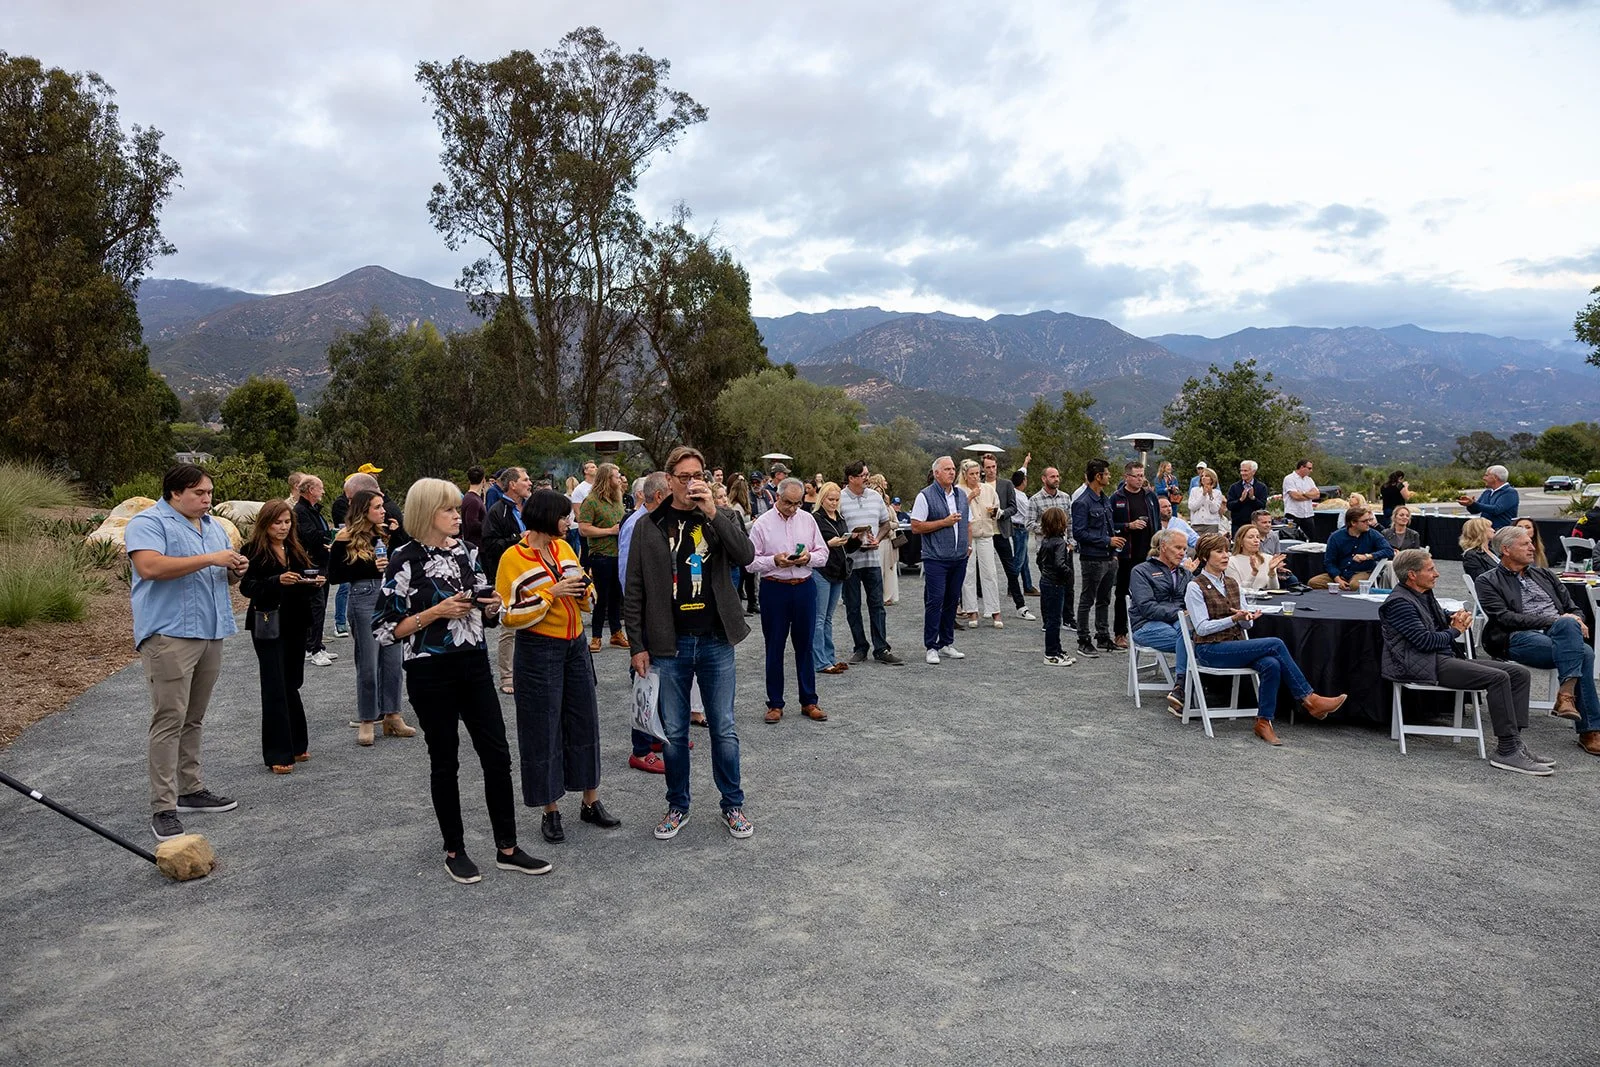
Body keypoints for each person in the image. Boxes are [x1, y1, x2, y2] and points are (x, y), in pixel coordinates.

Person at [375, 477, 549, 884]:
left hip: (473, 664)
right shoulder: (404, 558)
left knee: (497, 756)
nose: (458, 515)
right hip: (429, 671)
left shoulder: (467, 552)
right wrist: (436, 613)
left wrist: (490, 606)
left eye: (457, 508)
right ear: (426, 513)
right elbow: (384, 629)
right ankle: (454, 849)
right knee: (445, 760)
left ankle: (507, 847)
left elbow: (483, 608)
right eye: (449, 509)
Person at [624, 445, 757, 840]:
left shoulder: (722, 517)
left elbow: (746, 556)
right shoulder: (649, 525)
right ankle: (677, 805)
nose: (691, 483)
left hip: (716, 639)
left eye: (697, 476)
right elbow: (634, 590)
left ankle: (732, 805)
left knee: (724, 728)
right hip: (669, 644)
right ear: (668, 481)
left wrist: (714, 512)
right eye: (683, 477)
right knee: (675, 732)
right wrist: (636, 645)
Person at [125, 464, 247, 841]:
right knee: (168, 719)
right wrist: (212, 559)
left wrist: (234, 568)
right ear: (175, 493)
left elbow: (216, 573)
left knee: (193, 717)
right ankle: (163, 807)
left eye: (209, 492)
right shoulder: (148, 523)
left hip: (210, 631)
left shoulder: (211, 527)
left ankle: (190, 790)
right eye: (200, 493)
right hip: (169, 635)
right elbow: (149, 567)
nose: (207, 499)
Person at [496, 488, 620, 844]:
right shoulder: (512, 558)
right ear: (547, 517)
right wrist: (553, 592)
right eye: (564, 516)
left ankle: (590, 801)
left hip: (575, 644)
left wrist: (583, 590)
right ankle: (550, 810)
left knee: (584, 720)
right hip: (538, 650)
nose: (569, 521)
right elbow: (509, 616)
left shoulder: (565, 548)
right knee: (542, 727)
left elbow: (587, 595)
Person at [1380, 549, 1546, 775]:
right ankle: (1506, 751)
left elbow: (1432, 621)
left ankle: (1514, 743)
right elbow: (1425, 642)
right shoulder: (1399, 602)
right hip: (1418, 663)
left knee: (1518, 673)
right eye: (1431, 569)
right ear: (1412, 574)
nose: (1437, 574)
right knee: (1499, 678)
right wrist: (1455, 630)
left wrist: (1454, 617)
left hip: (1439, 659)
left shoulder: (1422, 594)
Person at [1185, 533, 1347, 745]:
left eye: (1226, 551)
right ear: (1205, 556)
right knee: (1275, 643)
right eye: (1219, 552)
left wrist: (1246, 618)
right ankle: (1310, 699)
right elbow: (1202, 628)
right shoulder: (1195, 586)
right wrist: (1233, 618)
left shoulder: (1232, 583)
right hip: (1209, 649)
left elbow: (1245, 625)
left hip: (1233, 645)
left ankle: (1264, 722)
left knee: (1271, 664)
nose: (1225, 556)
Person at [1476, 525, 1599, 751]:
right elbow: (1504, 618)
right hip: (1516, 637)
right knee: (1585, 652)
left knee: (1571, 629)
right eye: (1525, 544)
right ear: (1506, 549)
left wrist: (1576, 619)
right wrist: (1557, 621)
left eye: (1531, 542)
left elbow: (1573, 607)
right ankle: (1589, 729)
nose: (1533, 548)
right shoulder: (1488, 580)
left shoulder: (1543, 574)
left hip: (1561, 633)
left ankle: (1567, 697)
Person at [329, 488, 414, 746]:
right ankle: (367, 720)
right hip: (363, 596)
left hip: (389, 597)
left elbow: (407, 553)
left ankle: (393, 715)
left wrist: (398, 532)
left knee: (393, 659)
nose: (383, 511)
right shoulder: (345, 537)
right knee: (368, 662)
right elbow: (334, 575)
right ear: (364, 510)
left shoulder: (384, 533)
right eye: (378, 507)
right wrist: (368, 566)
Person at [240, 500, 318, 773]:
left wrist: (313, 582)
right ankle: (278, 753)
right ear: (265, 523)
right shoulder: (253, 551)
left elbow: (306, 582)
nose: (283, 527)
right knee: (274, 684)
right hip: (267, 623)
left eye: (287, 522)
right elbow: (247, 587)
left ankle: (297, 744)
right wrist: (276, 581)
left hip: (296, 622)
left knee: (292, 682)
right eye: (278, 522)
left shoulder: (295, 548)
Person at [748, 477, 829, 723]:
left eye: (797, 504)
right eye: (788, 503)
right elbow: (749, 561)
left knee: (805, 645)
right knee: (775, 646)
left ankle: (809, 701)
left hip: (804, 587)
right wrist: (774, 561)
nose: (792, 508)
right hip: (775, 589)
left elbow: (823, 553)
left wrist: (808, 559)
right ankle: (775, 703)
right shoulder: (762, 524)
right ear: (777, 497)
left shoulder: (808, 520)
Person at [838, 461, 903, 663]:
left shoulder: (875, 498)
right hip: (850, 562)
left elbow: (885, 523)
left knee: (877, 605)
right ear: (851, 478)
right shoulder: (839, 499)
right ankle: (860, 647)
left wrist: (879, 537)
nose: (867, 477)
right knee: (853, 607)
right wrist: (852, 539)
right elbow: (834, 529)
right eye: (863, 475)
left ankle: (881, 649)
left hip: (872, 561)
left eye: (867, 474)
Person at [911, 456, 970, 664]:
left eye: (953, 469)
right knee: (935, 601)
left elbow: (968, 524)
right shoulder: (924, 496)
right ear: (936, 473)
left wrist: (968, 546)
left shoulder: (961, 495)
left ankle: (946, 643)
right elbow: (916, 526)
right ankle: (931, 646)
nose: (952, 472)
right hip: (935, 558)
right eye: (947, 469)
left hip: (959, 558)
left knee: (952, 601)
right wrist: (943, 523)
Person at [1129, 528, 1194, 713]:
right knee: (1192, 642)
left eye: (1185, 548)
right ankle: (1188, 688)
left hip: (1176, 623)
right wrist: (1181, 613)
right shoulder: (1141, 571)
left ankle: (1181, 688)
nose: (1183, 552)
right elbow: (1147, 607)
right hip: (1146, 625)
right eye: (1178, 548)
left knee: (1192, 636)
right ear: (1163, 547)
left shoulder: (1185, 573)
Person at [481, 466, 533, 695]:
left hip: (531, 572)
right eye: (525, 479)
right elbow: (490, 546)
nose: (529, 483)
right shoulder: (497, 511)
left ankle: (528, 672)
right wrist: (517, 539)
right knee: (509, 626)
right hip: (507, 574)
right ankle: (507, 676)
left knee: (531, 619)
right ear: (512, 484)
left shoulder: (529, 507)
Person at [1071, 458, 1123, 658]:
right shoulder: (1082, 502)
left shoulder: (1104, 499)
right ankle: (1083, 639)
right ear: (1098, 476)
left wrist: (1114, 552)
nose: (1109, 476)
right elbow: (1079, 533)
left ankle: (1102, 636)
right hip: (1092, 558)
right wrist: (1107, 541)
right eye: (1107, 474)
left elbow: (1109, 525)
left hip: (1109, 558)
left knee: (1104, 599)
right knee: (1087, 599)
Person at [811, 481, 861, 677]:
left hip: (838, 571)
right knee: (819, 618)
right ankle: (819, 660)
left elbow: (847, 548)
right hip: (822, 571)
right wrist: (827, 544)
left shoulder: (840, 518)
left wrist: (856, 539)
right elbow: (811, 544)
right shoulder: (815, 519)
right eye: (830, 499)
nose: (833, 503)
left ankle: (829, 657)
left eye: (837, 500)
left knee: (828, 618)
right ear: (822, 499)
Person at [577, 462, 628, 653]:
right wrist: (609, 531)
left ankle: (616, 633)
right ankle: (596, 636)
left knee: (617, 597)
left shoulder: (617, 499)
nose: (620, 479)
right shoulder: (590, 501)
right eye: (616, 476)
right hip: (600, 555)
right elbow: (583, 528)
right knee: (601, 597)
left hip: (618, 555)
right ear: (607, 479)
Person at [1110, 461, 1159, 648]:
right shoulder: (1116, 498)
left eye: (1142, 475)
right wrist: (1128, 526)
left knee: (1149, 594)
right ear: (1126, 477)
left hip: (1148, 553)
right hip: (1126, 554)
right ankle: (1120, 633)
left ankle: (1146, 631)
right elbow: (1109, 525)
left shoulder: (1150, 496)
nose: (1140, 479)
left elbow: (1157, 523)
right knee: (1122, 593)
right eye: (1136, 476)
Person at [982, 454, 1032, 620]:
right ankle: (978, 607)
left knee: (1010, 570)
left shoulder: (1006, 484)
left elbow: (1014, 507)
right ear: (983, 468)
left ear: (997, 467)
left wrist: (1002, 513)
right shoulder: (979, 486)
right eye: (988, 467)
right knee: (980, 571)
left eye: (993, 467)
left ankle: (1021, 606)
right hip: (983, 534)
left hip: (1001, 532)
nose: (991, 470)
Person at [294, 476, 337, 665]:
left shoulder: (313, 510)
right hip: (311, 564)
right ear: (310, 489)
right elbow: (309, 535)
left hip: (321, 561)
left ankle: (317, 645)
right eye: (320, 488)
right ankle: (312, 649)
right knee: (315, 606)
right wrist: (330, 536)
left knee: (320, 604)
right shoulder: (301, 510)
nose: (323, 492)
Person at [959, 459, 1003, 629]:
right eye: (972, 474)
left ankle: (994, 611)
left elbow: (997, 509)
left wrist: (995, 513)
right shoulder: (959, 491)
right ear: (965, 475)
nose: (976, 477)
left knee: (990, 573)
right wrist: (970, 497)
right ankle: (972, 611)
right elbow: (957, 510)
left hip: (986, 534)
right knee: (968, 573)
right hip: (967, 535)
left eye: (978, 473)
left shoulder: (988, 489)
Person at [1310, 506, 1393, 589]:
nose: (1369, 523)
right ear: (1353, 523)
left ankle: (1344, 590)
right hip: (1341, 572)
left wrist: (1367, 556)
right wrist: (1337, 579)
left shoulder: (1372, 534)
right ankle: (1339, 591)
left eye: (1369, 520)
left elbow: (1389, 551)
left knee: (1355, 585)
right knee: (1314, 582)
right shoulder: (1336, 537)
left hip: (1362, 572)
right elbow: (1329, 562)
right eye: (1364, 521)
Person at [1034, 506, 1077, 666]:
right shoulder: (1059, 542)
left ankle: (1057, 650)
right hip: (1055, 583)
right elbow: (1060, 564)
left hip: (1046, 581)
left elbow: (1039, 561)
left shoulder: (1046, 540)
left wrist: (1046, 572)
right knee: (1054, 620)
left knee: (1052, 619)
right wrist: (1068, 573)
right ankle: (1051, 653)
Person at [868, 473, 901, 605]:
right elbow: (878, 523)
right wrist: (887, 526)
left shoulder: (888, 506)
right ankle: (879, 596)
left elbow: (894, 523)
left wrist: (889, 526)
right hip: (880, 540)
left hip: (889, 540)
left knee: (890, 569)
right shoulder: (874, 508)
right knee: (879, 569)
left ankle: (888, 596)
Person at [1225, 523, 1285, 592]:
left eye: (1258, 537)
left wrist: (1272, 572)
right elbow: (1237, 591)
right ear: (1240, 541)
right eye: (1251, 537)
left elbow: (1274, 589)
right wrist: (1254, 573)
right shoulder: (1231, 562)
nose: (1256, 540)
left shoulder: (1268, 558)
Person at [1458, 465, 1519, 529]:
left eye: (1486, 475)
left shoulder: (1510, 492)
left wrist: (1473, 504)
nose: (1484, 478)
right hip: (1486, 532)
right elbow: (1475, 511)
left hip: (1502, 534)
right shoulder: (1487, 492)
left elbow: (1496, 510)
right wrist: (1469, 504)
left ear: (1495, 477)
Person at [1011, 468, 1038, 596]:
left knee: (1024, 559)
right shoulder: (1020, 497)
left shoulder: (1015, 492)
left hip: (1020, 529)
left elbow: (1021, 471)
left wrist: (1026, 463)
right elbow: (1028, 513)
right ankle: (1012, 586)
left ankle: (1027, 585)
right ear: (1024, 481)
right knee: (1019, 559)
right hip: (1020, 528)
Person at [1226, 460, 1273, 533]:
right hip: (1238, 526)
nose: (1242, 473)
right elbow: (1229, 506)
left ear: (1253, 472)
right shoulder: (1234, 487)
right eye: (1241, 471)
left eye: (1245, 471)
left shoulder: (1261, 487)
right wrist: (1240, 500)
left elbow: (1262, 506)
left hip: (1255, 526)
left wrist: (1253, 498)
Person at [1281, 458, 1321, 525]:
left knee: (1311, 535)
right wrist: (1310, 496)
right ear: (1302, 467)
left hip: (1308, 514)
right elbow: (1295, 496)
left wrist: (1303, 493)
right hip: (1293, 514)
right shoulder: (1289, 479)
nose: (1311, 471)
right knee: (1291, 534)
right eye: (1309, 468)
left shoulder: (1309, 480)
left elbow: (1317, 495)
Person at [1187, 467, 1225, 535]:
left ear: (1212, 478)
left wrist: (1210, 495)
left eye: (1206, 476)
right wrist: (1203, 495)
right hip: (1196, 524)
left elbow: (1214, 510)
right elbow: (1192, 507)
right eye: (1202, 476)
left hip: (1211, 525)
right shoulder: (1194, 490)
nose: (1203, 477)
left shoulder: (1217, 493)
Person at [1460, 517, 1498, 582]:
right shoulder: (1471, 555)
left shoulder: (1491, 550)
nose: (1493, 530)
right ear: (1480, 530)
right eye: (1490, 527)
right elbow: (1481, 580)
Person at [461, 465, 489, 549]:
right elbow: (472, 524)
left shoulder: (471, 497)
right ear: (483, 480)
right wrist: (490, 525)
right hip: (477, 547)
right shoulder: (473, 500)